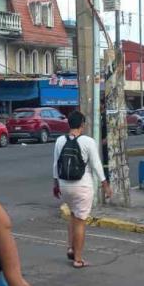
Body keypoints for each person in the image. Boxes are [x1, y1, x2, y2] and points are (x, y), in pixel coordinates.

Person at [53, 110, 112, 269]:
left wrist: (55, 184)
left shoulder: (59, 140)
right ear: (82, 125)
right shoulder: (88, 141)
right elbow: (96, 164)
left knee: (73, 215)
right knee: (80, 221)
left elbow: (55, 165)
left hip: (65, 186)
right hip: (82, 186)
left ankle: (71, 248)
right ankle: (78, 259)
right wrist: (105, 184)